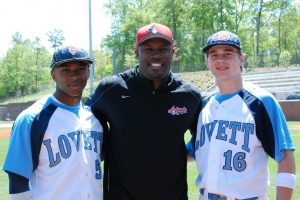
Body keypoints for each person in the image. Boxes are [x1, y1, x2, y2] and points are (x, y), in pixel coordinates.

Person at [86, 23, 202, 200]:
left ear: (173, 52)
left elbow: (204, 139)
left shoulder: (189, 95)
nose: (156, 55)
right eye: (148, 49)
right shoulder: (111, 89)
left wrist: (181, 153)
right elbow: (83, 124)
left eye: (163, 49)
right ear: (136, 52)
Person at [193, 30, 296, 200]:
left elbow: (285, 158)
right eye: (214, 54)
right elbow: (196, 150)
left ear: (241, 58)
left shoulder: (261, 101)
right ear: (207, 61)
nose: (220, 59)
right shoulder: (204, 105)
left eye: (228, 53)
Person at [3, 46, 103, 200]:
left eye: (80, 69)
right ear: (53, 75)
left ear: (88, 72)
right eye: (65, 70)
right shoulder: (32, 118)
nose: (74, 76)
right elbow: (18, 180)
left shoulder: (96, 118)